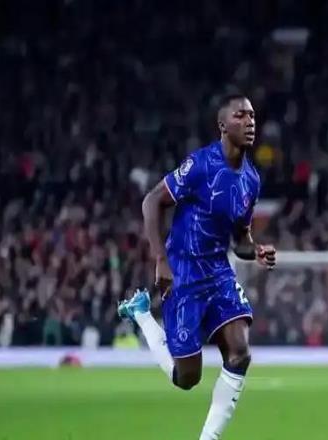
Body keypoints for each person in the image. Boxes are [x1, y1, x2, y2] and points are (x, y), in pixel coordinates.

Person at [118, 94, 276, 439]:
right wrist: (161, 259)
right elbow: (152, 201)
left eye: (252, 116)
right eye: (240, 115)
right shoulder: (201, 165)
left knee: (240, 353)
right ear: (223, 125)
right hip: (184, 272)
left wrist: (256, 250)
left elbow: (241, 239)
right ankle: (142, 313)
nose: (250, 122)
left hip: (218, 272)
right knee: (187, 377)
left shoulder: (251, 180)